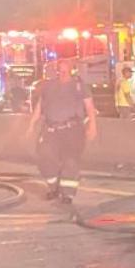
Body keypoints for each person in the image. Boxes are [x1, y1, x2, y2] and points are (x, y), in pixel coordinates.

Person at [30, 58, 96, 211]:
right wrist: (31, 124)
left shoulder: (79, 86)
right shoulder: (48, 86)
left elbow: (90, 107)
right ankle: (53, 187)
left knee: (71, 161)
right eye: (60, 69)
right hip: (51, 129)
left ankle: (67, 194)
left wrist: (92, 125)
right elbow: (40, 106)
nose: (62, 72)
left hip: (72, 130)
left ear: (72, 70)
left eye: (66, 69)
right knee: (44, 157)